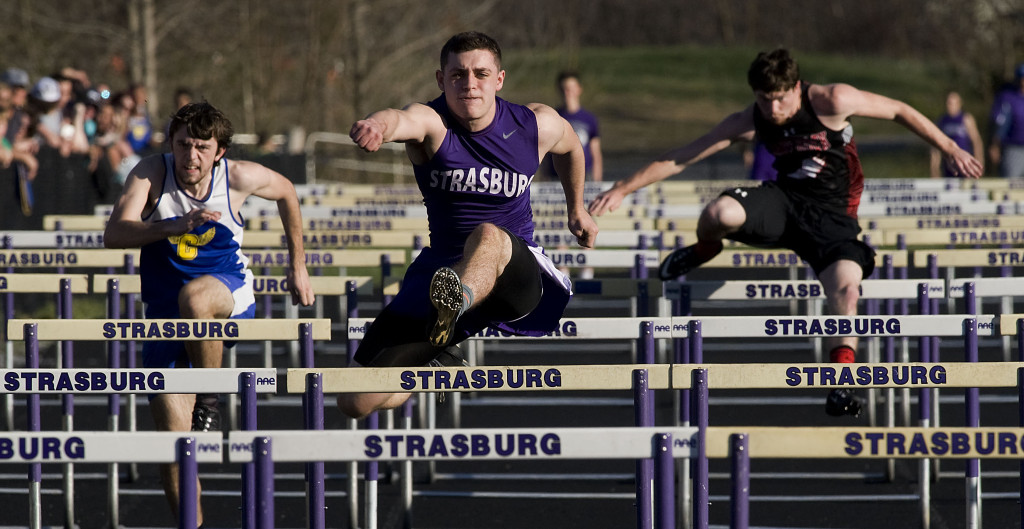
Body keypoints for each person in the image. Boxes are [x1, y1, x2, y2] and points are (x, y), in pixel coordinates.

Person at [588, 48, 982, 417]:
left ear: (796, 88)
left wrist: (950, 148)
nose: (773, 109)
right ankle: (705, 249)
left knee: (847, 292)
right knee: (718, 212)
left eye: (780, 99)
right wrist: (622, 188)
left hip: (833, 219)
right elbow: (683, 156)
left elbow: (898, 110)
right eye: (764, 100)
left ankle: (841, 384)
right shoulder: (751, 118)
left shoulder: (831, 100)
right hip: (784, 203)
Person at [336, 31, 598, 419]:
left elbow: (572, 145)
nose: (469, 84)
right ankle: (432, 354)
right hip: (443, 271)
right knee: (355, 400)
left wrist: (577, 209)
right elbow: (400, 118)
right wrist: (376, 124)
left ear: (499, 79)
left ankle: (452, 306)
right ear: (441, 80)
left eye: (480, 74)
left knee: (488, 234)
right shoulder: (433, 123)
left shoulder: (533, 124)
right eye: (458, 75)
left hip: (513, 274)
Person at [104, 101, 314, 524]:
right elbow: (115, 233)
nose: (191, 156)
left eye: (202, 147)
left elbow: (287, 192)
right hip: (164, 318)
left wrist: (297, 264)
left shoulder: (237, 177)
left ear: (219, 151)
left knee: (196, 299)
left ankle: (209, 400)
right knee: (174, 450)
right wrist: (171, 225)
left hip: (225, 295)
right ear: (171, 143)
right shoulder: (151, 173)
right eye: (183, 145)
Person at [556, 71, 603, 181]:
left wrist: (598, 181)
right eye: (564, 89)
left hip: (585, 175)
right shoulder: (554, 117)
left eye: (571, 88)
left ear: (579, 89)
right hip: (558, 175)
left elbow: (595, 152)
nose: (568, 92)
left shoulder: (589, 119)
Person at [931, 91, 983, 178]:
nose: (950, 106)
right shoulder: (942, 121)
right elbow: (936, 148)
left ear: (959, 104)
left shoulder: (966, 119)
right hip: (948, 167)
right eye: (948, 103)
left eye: (953, 103)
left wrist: (979, 163)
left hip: (965, 166)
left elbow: (976, 141)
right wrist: (934, 169)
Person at [989, 63, 1024, 177]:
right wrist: (995, 145)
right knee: (1011, 183)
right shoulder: (1007, 97)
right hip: (1013, 149)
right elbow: (999, 123)